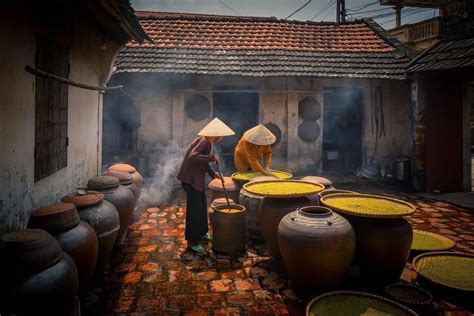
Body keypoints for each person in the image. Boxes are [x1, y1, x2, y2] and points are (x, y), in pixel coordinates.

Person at [177, 117, 235, 253]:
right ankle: (192, 241)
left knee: (202, 207)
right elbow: (193, 156)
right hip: (191, 180)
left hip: (197, 180)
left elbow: (203, 163)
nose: (221, 138)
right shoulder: (203, 140)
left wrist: (214, 174)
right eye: (221, 135)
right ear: (216, 134)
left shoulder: (207, 143)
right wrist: (212, 157)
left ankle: (202, 234)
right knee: (195, 211)